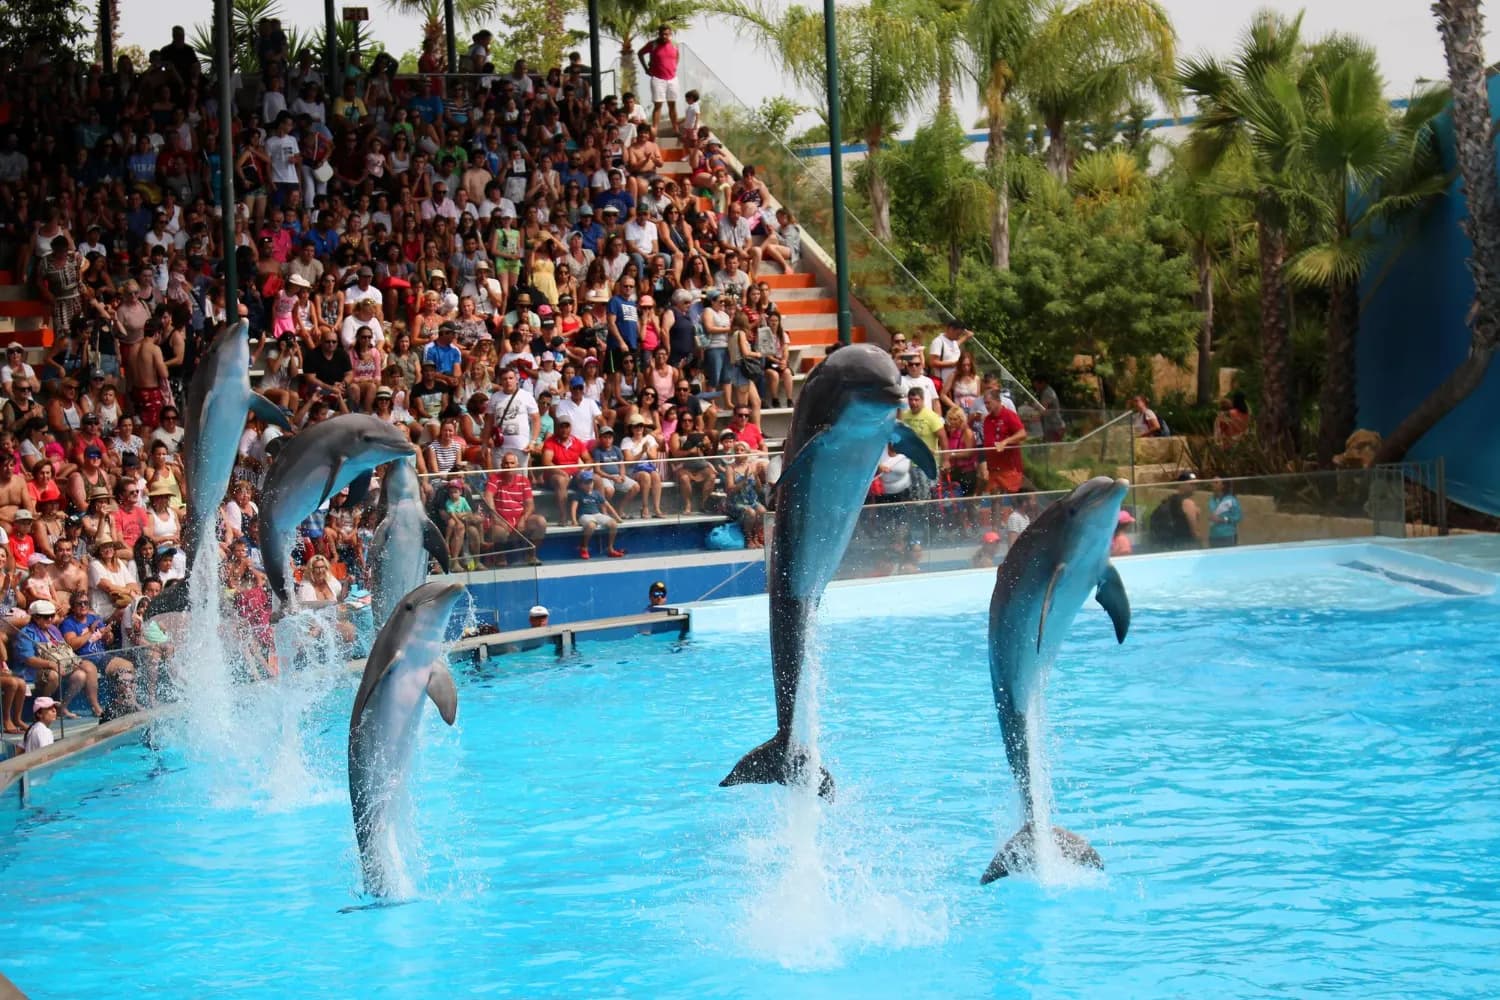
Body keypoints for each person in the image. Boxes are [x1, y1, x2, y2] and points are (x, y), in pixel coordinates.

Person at [568, 469, 624, 559]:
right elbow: (573, 508)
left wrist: (617, 517)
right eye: (586, 483)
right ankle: (584, 547)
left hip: (597, 514)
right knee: (591, 525)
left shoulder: (596, 493)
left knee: (613, 524)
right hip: (584, 515)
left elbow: (607, 505)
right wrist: (574, 520)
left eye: (590, 482)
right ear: (580, 484)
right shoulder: (578, 494)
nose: (589, 485)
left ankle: (610, 548)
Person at [638, 24, 681, 133]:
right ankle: (655, 129)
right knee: (658, 104)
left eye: (666, 34)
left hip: (672, 78)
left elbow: (677, 55)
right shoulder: (653, 44)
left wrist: (675, 66)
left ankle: (675, 129)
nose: (664, 36)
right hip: (658, 79)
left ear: (670, 34)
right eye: (662, 34)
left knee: (672, 104)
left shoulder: (675, 44)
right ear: (659, 34)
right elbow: (640, 53)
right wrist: (646, 69)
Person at [1148, 472, 1202, 552]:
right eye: (1191, 484)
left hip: (1171, 546)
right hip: (1186, 546)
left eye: (1196, 484)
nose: (1195, 487)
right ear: (1181, 484)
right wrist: (1202, 545)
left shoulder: (1170, 499)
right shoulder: (1188, 503)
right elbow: (1194, 532)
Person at [1207, 479, 1242, 548]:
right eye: (1212, 482)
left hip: (1227, 536)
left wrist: (1223, 519)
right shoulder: (1212, 500)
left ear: (1223, 485)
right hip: (1213, 535)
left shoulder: (1231, 500)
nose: (1212, 484)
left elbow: (1238, 517)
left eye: (1216, 482)